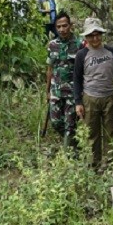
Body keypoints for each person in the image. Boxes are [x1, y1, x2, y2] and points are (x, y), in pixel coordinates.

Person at [74, 18, 113, 168]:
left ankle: (112, 163)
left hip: (109, 97)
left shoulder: (110, 51)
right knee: (92, 132)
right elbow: (77, 79)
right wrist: (78, 102)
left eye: (98, 34)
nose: (95, 38)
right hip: (90, 98)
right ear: (86, 37)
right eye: (91, 35)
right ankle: (94, 164)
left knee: (112, 131)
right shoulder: (82, 55)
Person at [46, 11, 82, 149]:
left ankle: (69, 155)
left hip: (72, 93)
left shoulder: (79, 44)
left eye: (64, 26)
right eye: (59, 26)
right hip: (56, 91)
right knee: (55, 122)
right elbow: (50, 69)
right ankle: (74, 143)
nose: (62, 29)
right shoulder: (52, 45)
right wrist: (47, 91)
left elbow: (83, 71)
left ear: (70, 26)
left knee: (70, 125)